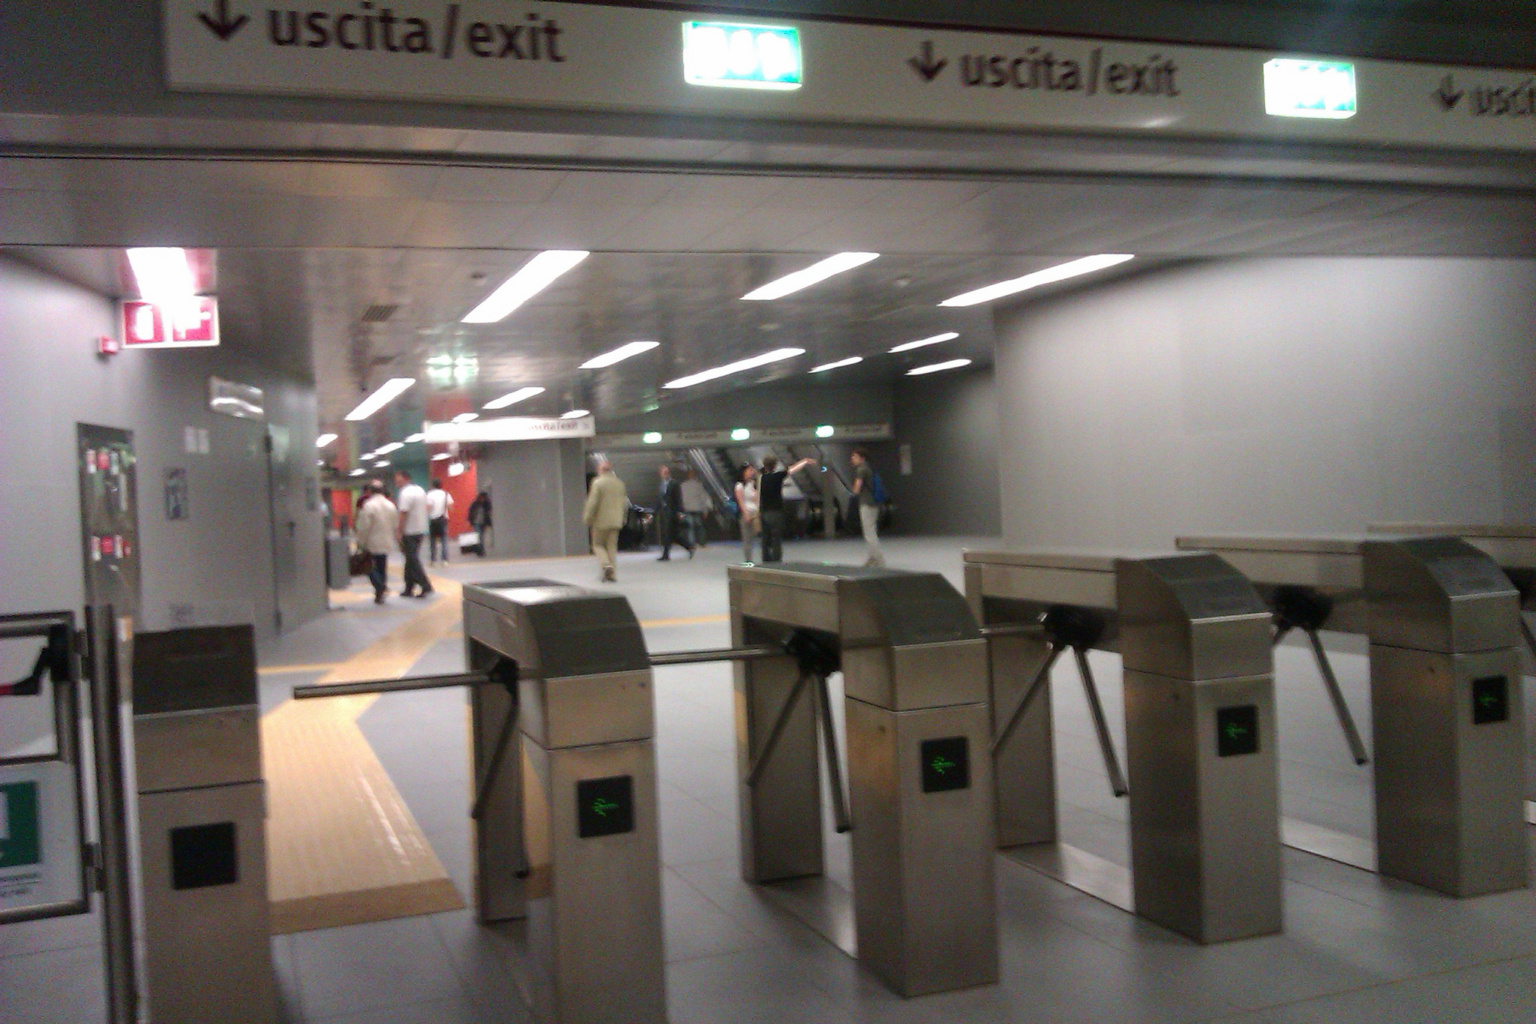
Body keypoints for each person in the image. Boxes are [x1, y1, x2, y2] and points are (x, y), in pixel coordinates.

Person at [757, 454, 817, 563]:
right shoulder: (778, 476)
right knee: (776, 538)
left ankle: (765, 559)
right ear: (775, 465)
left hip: (764, 512)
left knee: (765, 538)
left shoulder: (762, 478)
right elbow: (792, 469)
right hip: (776, 511)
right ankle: (776, 559)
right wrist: (804, 461)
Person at [583, 459, 629, 582]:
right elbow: (625, 503)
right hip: (616, 521)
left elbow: (593, 503)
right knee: (611, 547)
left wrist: (588, 518)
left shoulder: (598, 483)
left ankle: (606, 565)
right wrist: (623, 518)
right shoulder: (620, 483)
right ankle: (612, 574)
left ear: (600, 470)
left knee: (597, 545)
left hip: (601, 521)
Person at [354, 480, 399, 604]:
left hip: (372, 541)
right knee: (382, 567)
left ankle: (380, 587)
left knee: (368, 567)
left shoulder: (369, 505)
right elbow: (395, 524)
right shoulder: (391, 505)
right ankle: (380, 593)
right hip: (387, 540)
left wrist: (360, 542)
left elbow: (364, 527)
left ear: (371, 491)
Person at [394, 470, 433, 598]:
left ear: (406, 478)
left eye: (398, 480)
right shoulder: (420, 490)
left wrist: (399, 531)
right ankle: (409, 587)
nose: (396, 482)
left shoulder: (405, 493)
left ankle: (425, 585)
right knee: (410, 559)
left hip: (409, 530)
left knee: (412, 559)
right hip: (421, 529)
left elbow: (403, 513)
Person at [849, 448, 885, 568]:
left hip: (866, 504)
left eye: (855, 456)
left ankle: (878, 559)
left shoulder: (861, 470)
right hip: (873, 504)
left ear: (862, 458)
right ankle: (872, 558)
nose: (852, 459)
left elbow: (857, 488)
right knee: (871, 531)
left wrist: (853, 492)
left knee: (869, 533)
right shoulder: (869, 468)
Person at [655, 464, 694, 561]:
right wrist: (655, 511)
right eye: (662, 472)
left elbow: (678, 498)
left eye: (665, 471)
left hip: (673, 512)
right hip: (664, 512)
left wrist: (680, 512)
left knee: (670, 534)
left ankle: (666, 554)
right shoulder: (661, 485)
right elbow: (660, 499)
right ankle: (688, 547)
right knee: (672, 535)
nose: (664, 474)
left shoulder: (674, 483)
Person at [735, 463, 761, 564]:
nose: (752, 472)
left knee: (754, 536)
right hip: (747, 512)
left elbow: (756, 498)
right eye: (750, 470)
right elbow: (740, 500)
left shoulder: (752, 484)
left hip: (755, 512)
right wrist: (745, 513)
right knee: (747, 538)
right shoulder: (740, 485)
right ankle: (748, 559)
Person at [426, 478, 453, 564]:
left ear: (433, 485)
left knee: (433, 541)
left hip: (433, 520)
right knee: (444, 539)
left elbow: (428, 508)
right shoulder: (446, 494)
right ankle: (444, 560)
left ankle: (433, 560)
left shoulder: (430, 494)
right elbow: (450, 508)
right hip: (443, 519)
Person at [680, 469, 709, 549]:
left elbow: (680, 499)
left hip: (687, 509)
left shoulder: (683, 486)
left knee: (690, 527)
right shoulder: (698, 485)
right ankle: (702, 543)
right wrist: (705, 509)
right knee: (700, 526)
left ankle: (692, 543)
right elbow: (703, 498)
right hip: (697, 508)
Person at [467, 490, 492, 557]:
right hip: (476, 523)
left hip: (483, 523)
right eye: (482, 498)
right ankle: (481, 551)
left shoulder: (486, 504)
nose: (483, 499)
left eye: (484, 498)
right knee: (479, 536)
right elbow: (471, 512)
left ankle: (480, 551)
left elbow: (489, 512)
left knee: (481, 537)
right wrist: (470, 521)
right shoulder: (475, 504)